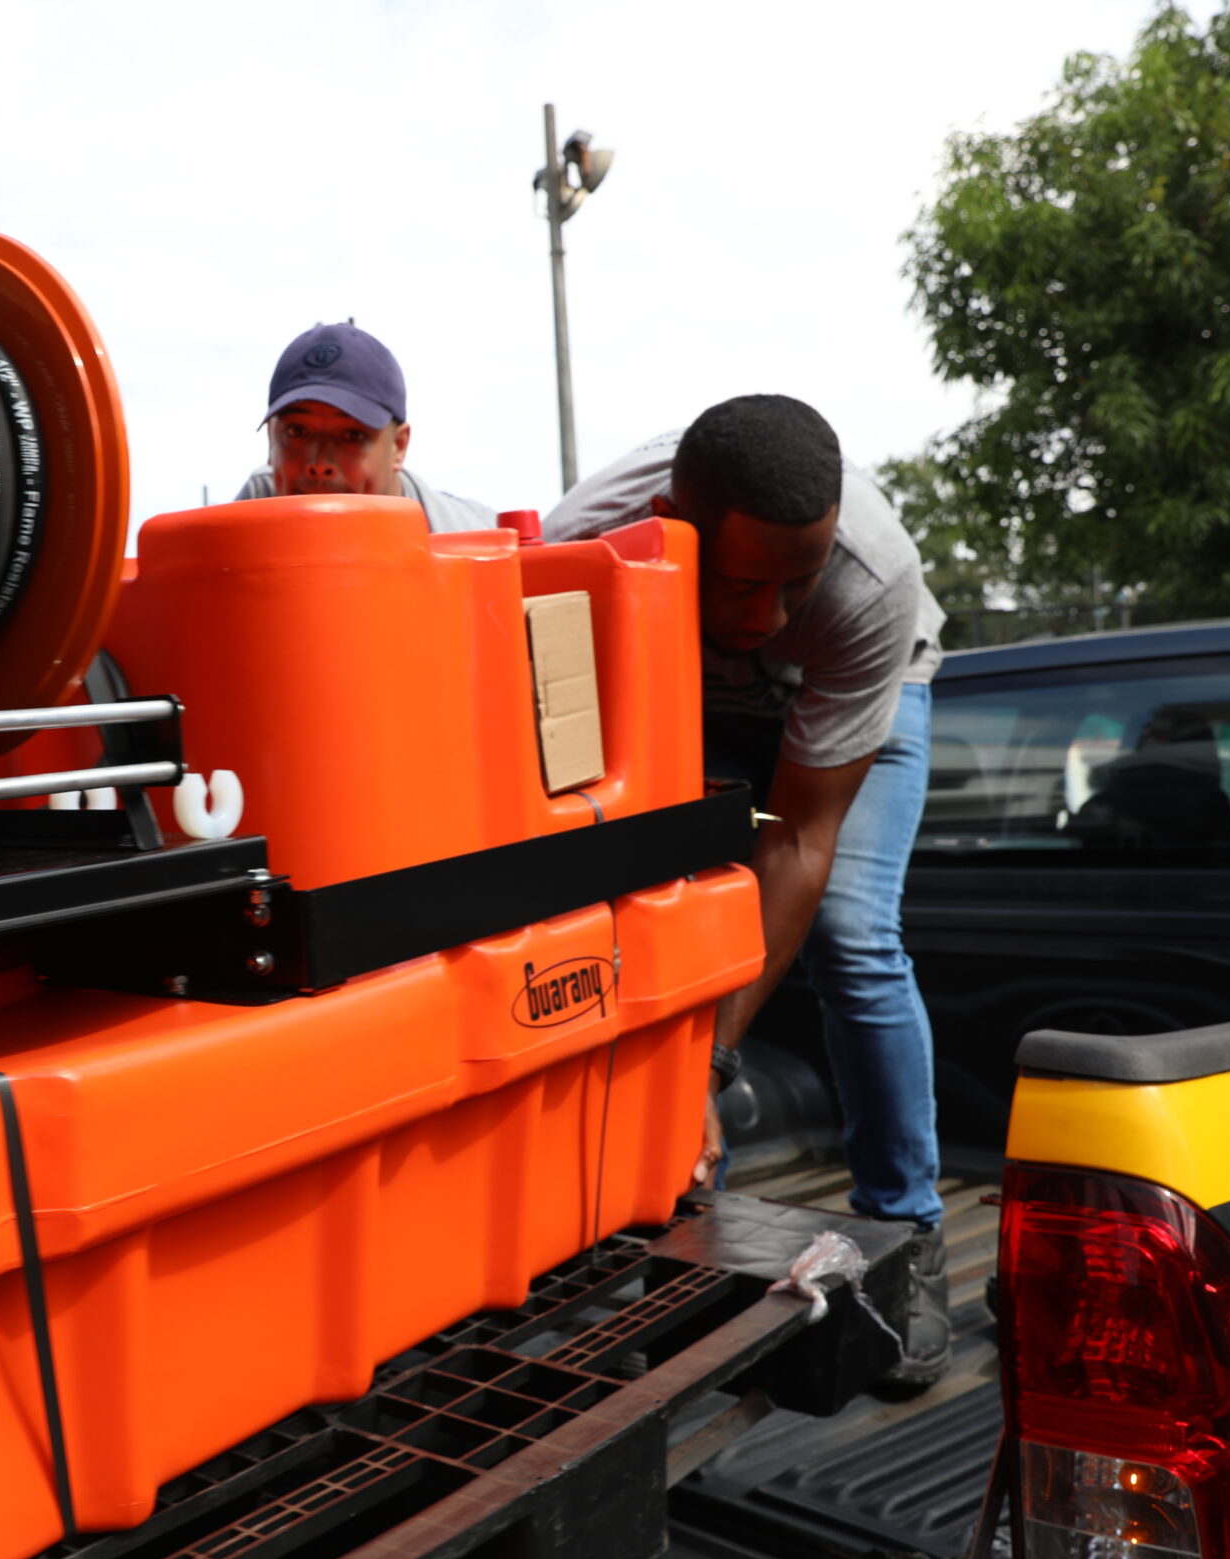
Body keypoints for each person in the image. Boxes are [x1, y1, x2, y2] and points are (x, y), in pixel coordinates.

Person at [543, 395, 950, 1390]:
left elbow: (800, 837)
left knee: (850, 932)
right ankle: (690, 1240)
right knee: (664, 925)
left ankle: (908, 1230)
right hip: (696, 704)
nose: (770, 618)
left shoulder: (868, 581)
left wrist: (711, 1066)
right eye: (742, 586)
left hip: (859, 689)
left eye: (794, 584)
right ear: (670, 528)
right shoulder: (579, 552)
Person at [235, 323, 496, 532]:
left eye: (352, 435)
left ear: (399, 446)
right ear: (271, 440)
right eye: (297, 432)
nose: (319, 463)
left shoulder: (473, 543)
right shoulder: (245, 523)